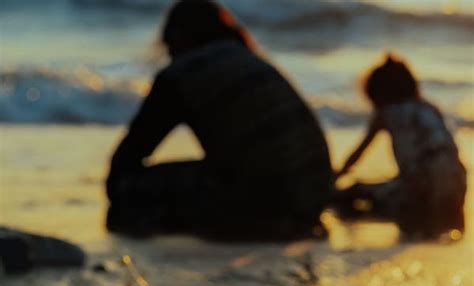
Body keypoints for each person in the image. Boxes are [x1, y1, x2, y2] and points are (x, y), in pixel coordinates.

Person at [106, 0, 333, 240]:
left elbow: (128, 158)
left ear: (176, 36)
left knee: (129, 192)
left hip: (264, 204)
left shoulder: (182, 73)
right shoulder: (248, 58)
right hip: (315, 197)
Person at [334, 54, 467, 236]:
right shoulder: (429, 107)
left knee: (355, 193)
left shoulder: (386, 113)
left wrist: (337, 175)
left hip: (421, 185)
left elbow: (359, 152)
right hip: (457, 182)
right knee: (449, 223)